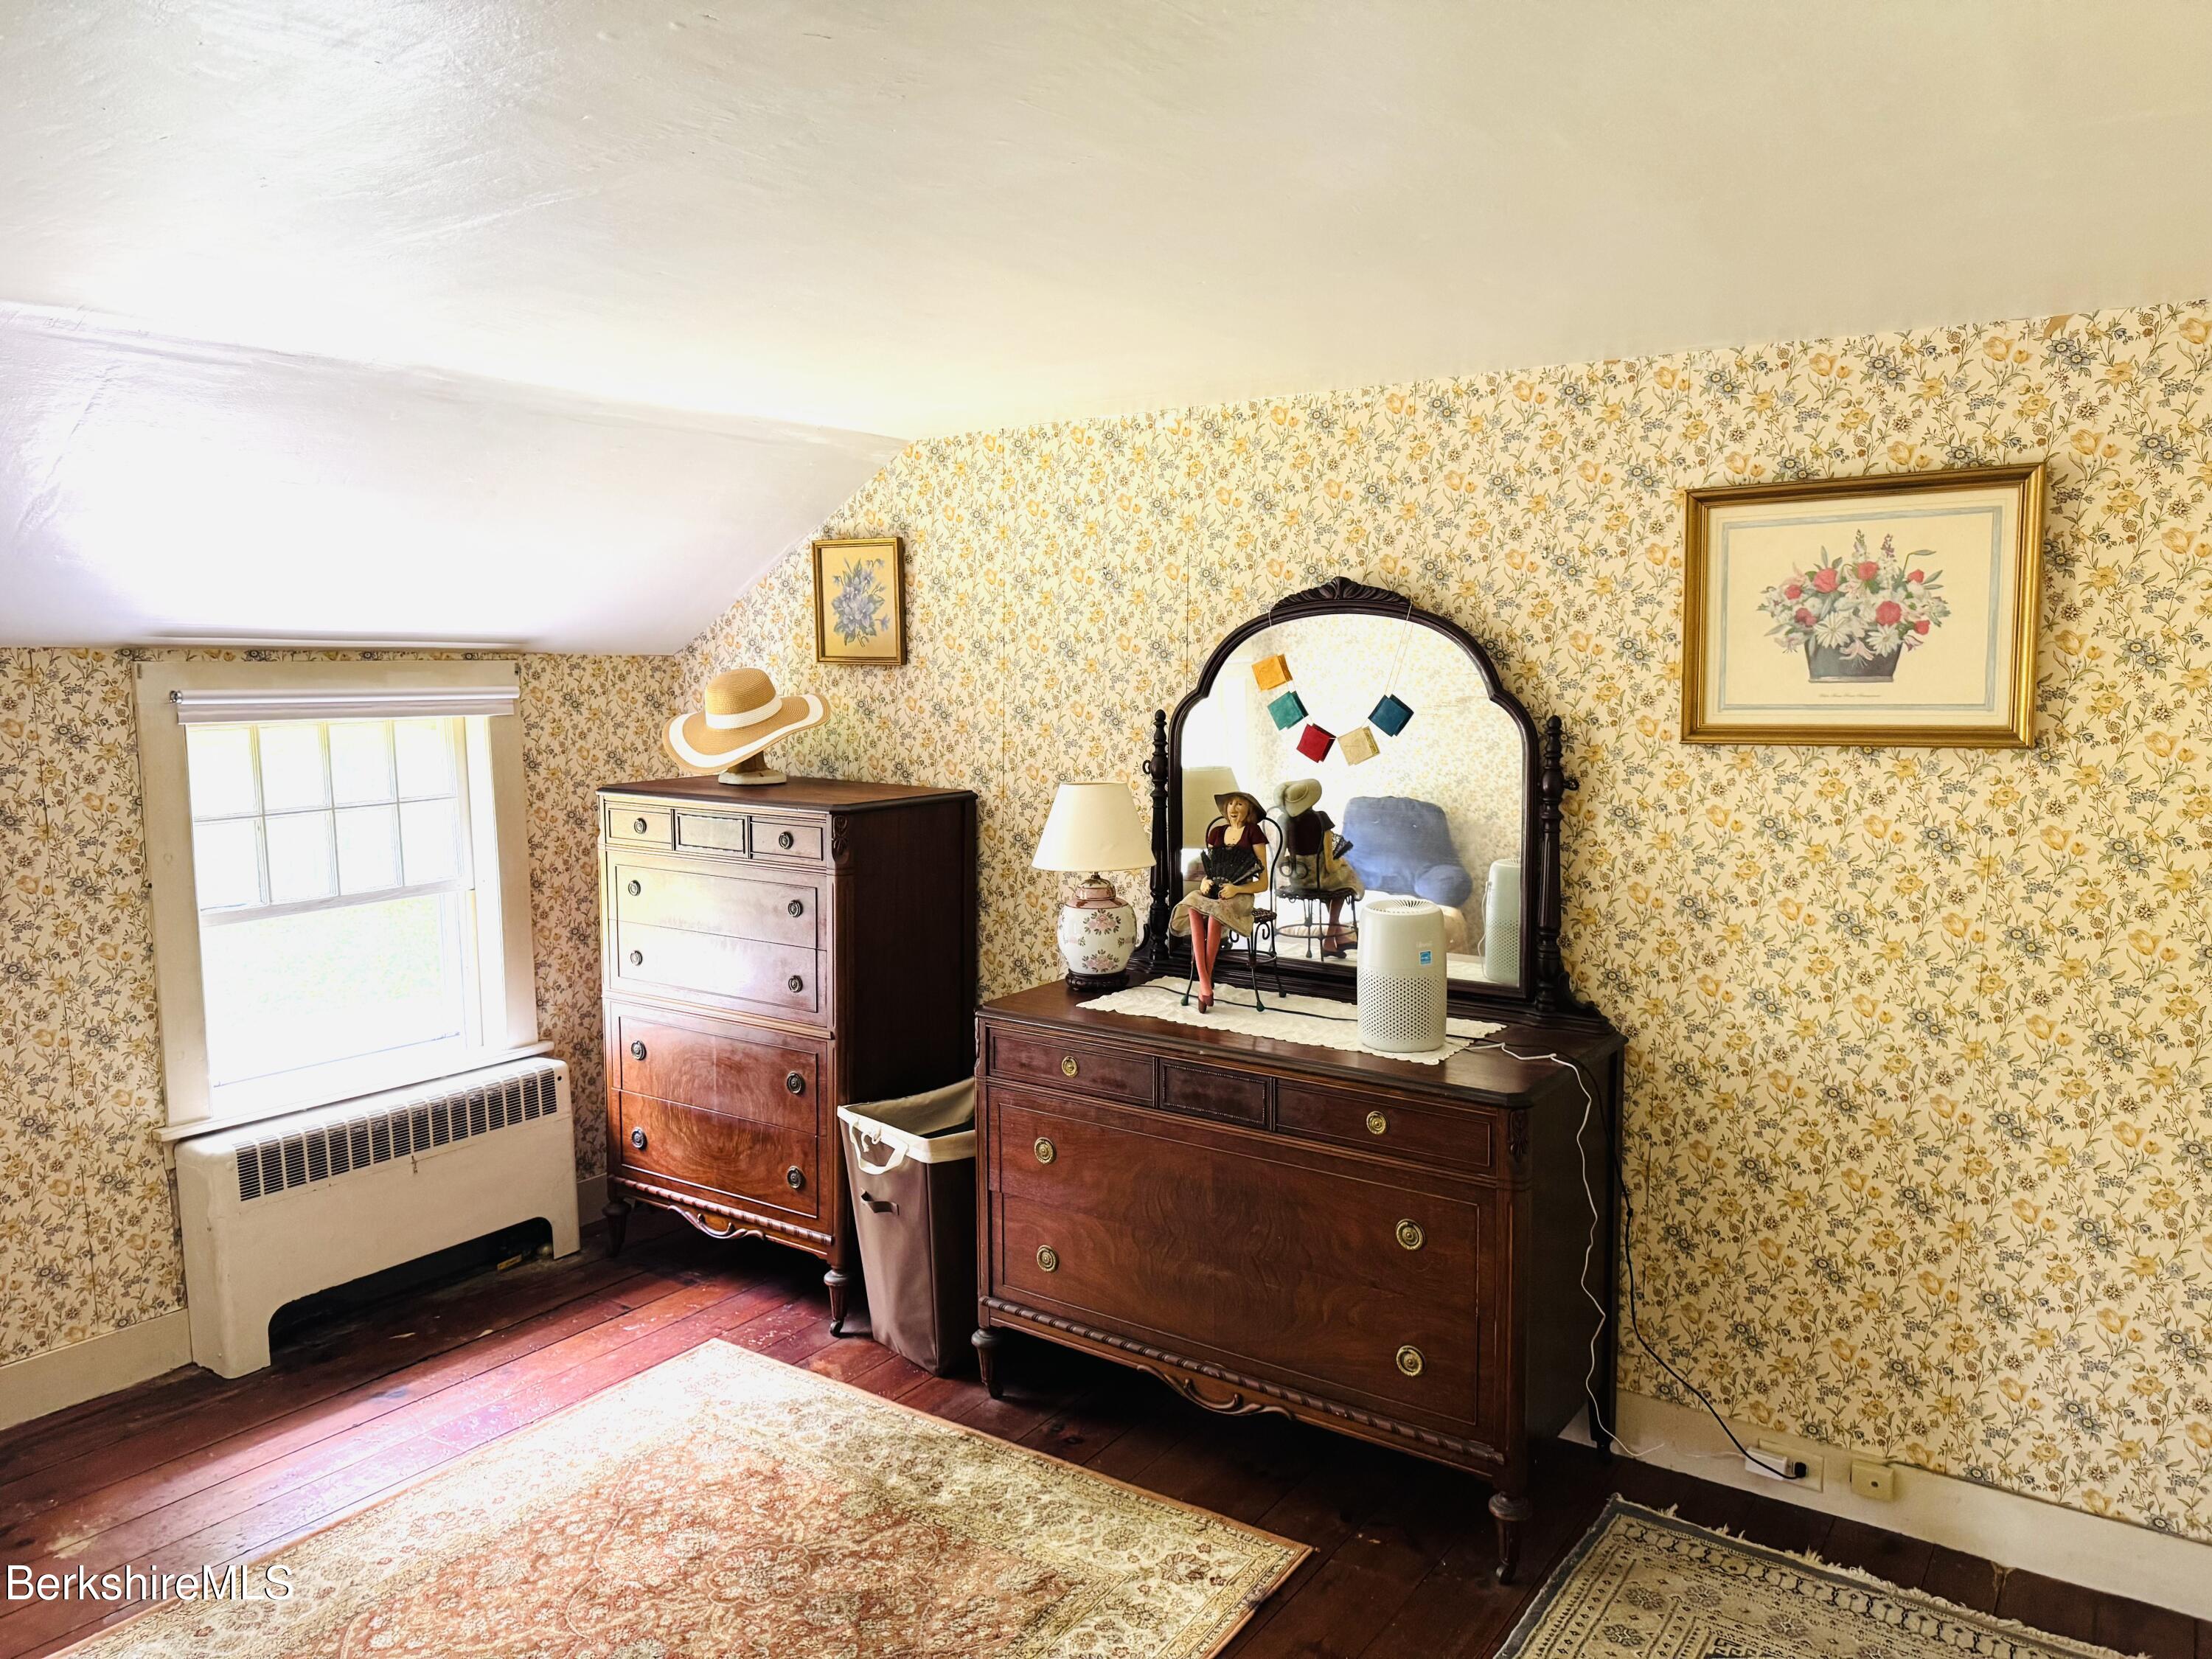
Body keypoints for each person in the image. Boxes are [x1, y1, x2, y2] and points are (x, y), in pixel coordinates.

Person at [1169, 790, 1268, 1012]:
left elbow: (1263, 884)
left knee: (1215, 915)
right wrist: (1205, 880)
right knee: (1193, 905)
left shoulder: (1253, 833)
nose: (1233, 808)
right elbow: (1212, 871)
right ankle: (1206, 983)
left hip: (1240, 895)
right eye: (1230, 804)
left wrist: (1237, 889)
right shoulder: (1217, 833)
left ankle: (1204, 984)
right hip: (1214, 894)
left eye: (1240, 804)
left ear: (1249, 810)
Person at [1275, 779, 1363, 958]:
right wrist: (1341, 863)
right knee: (1344, 882)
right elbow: (1330, 865)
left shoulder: (1283, 820)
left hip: (1298, 879)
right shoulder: (1320, 818)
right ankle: (1330, 938)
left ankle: (1342, 938)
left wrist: (1294, 860)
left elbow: (1278, 859)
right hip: (1319, 878)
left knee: (1334, 885)